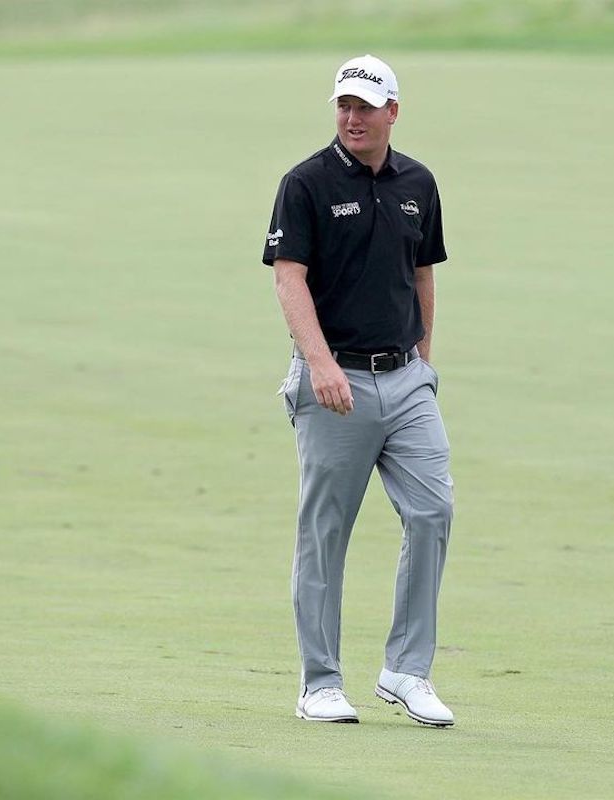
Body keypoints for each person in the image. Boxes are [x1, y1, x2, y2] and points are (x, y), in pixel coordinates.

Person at [262, 54, 455, 727]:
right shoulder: (306, 183)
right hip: (333, 379)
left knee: (432, 513)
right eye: (344, 105)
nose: (352, 117)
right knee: (326, 534)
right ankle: (320, 682)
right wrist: (319, 366)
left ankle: (406, 670)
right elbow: (289, 277)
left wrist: (423, 362)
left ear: (392, 112)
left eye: (366, 107)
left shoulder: (418, 183)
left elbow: (423, 273)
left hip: (405, 381)